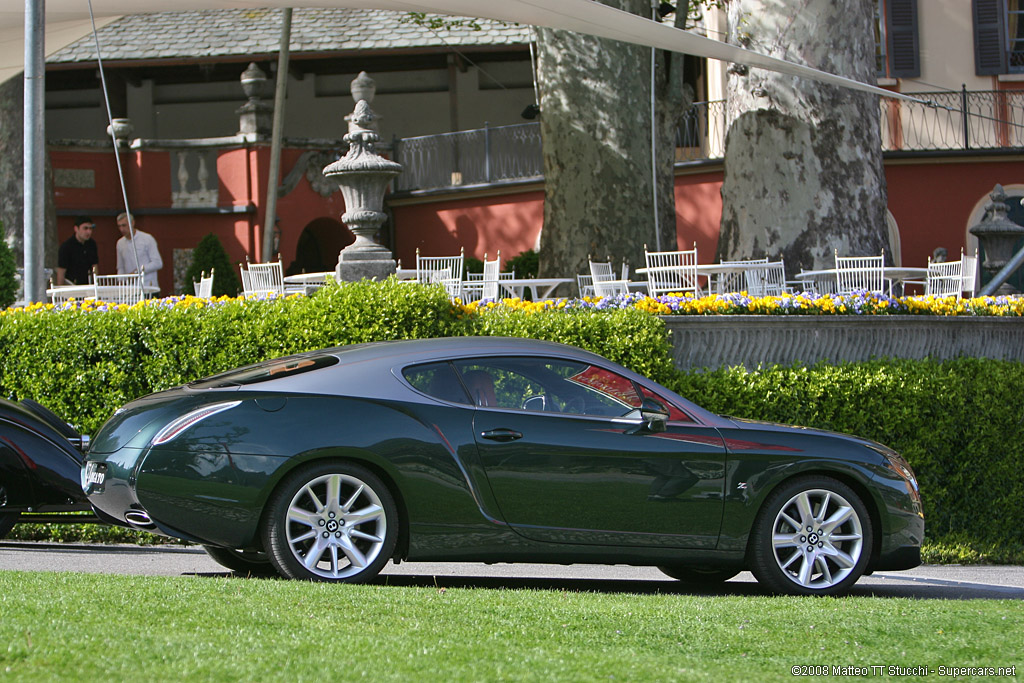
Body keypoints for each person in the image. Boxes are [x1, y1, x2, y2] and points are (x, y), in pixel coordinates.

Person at [115, 212, 162, 293]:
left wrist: (137, 271)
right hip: (130, 289)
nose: (121, 229)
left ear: (132, 223)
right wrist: (121, 282)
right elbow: (120, 266)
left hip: (148, 287)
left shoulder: (147, 239)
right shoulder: (120, 243)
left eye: (124, 225)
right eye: (119, 226)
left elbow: (157, 263)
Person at [56, 216, 99, 285]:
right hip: (71, 284)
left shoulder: (92, 244)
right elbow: (61, 271)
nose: (89, 232)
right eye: (85, 228)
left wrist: (96, 283)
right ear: (76, 229)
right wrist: (60, 292)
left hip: (87, 284)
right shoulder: (67, 246)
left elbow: (95, 266)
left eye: (90, 229)